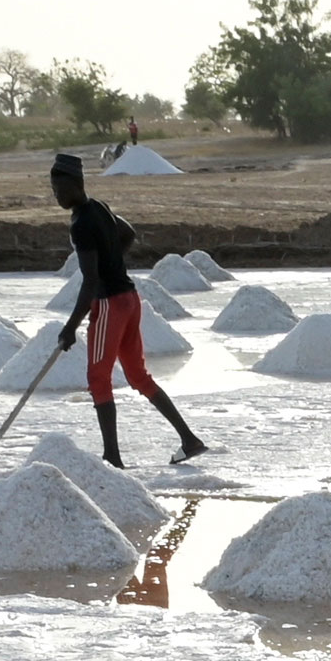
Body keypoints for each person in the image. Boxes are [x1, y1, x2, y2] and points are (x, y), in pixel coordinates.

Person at [50, 152, 206, 467]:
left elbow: (90, 281)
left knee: (98, 377)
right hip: (130, 300)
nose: (57, 196)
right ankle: (189, 440)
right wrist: (114, 259)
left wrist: (70, 327)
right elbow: (128, 233)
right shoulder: (101, 209)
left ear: (77, 184)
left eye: (61, 189)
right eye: (53, 190)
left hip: (110, 304)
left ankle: (112, 457)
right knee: (137, 375)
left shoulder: (81, 223)